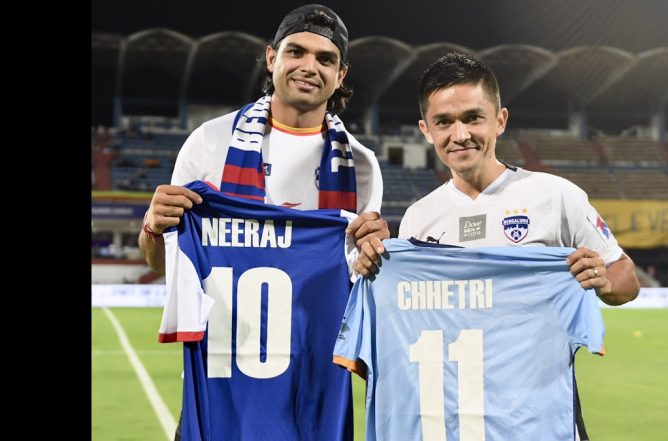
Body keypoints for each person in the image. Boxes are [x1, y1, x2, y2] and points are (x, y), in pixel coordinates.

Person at [352, 52, 639, 440]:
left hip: (537, 417)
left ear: (499, 120)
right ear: (425, 129)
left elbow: (626, 276)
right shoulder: (420, 217)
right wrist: (375, 263)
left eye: (473, 118)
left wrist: (603, 280)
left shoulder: (554, 196)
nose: (460, 134)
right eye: (444, 122)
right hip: (456, 421)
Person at [138, 4, 389, 440]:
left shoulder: (360, 166)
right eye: (297, 52)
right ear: (272, 57)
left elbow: (357, 292)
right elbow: (164, 264)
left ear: (341, 74)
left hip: (311, 398)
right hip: (224, 395)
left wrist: (377, 258)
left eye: (325, 59)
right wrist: (153, 227)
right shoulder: (209, 143)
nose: (309, 66)